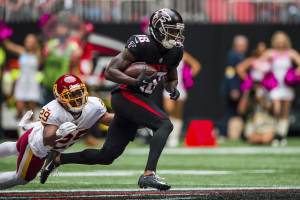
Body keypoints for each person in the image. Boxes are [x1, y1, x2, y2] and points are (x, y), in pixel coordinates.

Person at [40, 8, 185, 191]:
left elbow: (171, 77)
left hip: (138, 98)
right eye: (170, 30)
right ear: (157, 28)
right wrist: (134, 80)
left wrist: (172, 88)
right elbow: (110, 72)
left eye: (177, 30)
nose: (175, 35)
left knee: (106, 156)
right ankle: (149, 174)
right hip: (125, 95)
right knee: (164, 124)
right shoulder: (141, 44)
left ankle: (57, 159)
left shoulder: (175, 51)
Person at [0, 74, 113, 189]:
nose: (78, 97)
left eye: (79, 92)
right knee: (21, 178)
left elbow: (106, 118)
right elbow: (47, 140)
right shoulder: (54, 110)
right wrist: (58, 134)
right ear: (60, 97)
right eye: (72, 94)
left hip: (35, 138)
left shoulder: (93, 105)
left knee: (15, 148)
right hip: (37, 147)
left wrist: (127, 118)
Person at [259, 31, 300, 146]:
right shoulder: (271, 53)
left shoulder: (290, 53)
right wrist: (265, 75)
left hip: (287, 86)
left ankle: (282, 135)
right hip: (275, 85)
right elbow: (258, 63)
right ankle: (276, 132)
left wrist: (294, 75)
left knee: (285, 111)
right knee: (276, 109)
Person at [2, 34, 43, 137]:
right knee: (19, 110)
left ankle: (31, 135)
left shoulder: (38, 54)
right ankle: (21, 135)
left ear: (35, 43)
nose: (28, 43)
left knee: (30, 113)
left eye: (31, 41)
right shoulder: (21, 51)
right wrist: (3, 33)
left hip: (32, 85)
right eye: (27, 41)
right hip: (21, 84)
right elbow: (8, 45)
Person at [164, 51, 201, 147]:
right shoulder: (164, 53)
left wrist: (188, 77)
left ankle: (174, 137)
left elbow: (196, 65)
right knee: (168, 109)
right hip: (168, 86)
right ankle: (168, 135)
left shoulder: (183, 54)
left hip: (180, 87)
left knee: (177, 113)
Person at [42, 21, 82, 104]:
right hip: (49, 83)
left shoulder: (73, 47)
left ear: (67, 32)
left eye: (64, 30)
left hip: (64, 85)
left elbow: (75, 66)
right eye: (60, 30)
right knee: (49, 107)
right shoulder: (50, 44)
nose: (62, 33)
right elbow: (43, 61)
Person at [219, 35, 248, 140]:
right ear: (236, 45)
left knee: (238, 111)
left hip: (240, 88)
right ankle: (223, 133)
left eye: (245, 45)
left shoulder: (241, 56)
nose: (244, 47)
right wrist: (233, 88)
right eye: (241, 45)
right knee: (229, 111)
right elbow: (230, 73)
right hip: (234, 90)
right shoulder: (232, 55)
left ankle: (242, 132)